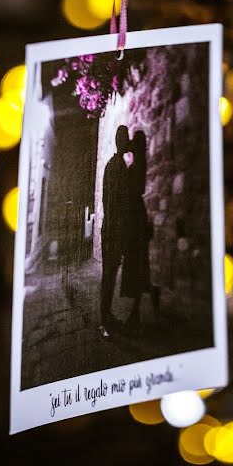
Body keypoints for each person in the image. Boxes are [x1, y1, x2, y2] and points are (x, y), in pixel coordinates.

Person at [100, 125, 130, 338]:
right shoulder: (117, 165)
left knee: (109, 275)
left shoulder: (114, 164)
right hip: (113, 229)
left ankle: (106, 317)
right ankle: (105, 320)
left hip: (112, 228)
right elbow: (113, 202)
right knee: (109, 276)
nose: (125, 142)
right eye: (124, 139)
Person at [121, 129, 151, 332]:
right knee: (138, 261)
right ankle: (135, 311)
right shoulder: (139, 163)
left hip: (135, 215)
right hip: (136, 213)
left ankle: (135, 313)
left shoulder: (138, 165)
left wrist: (127, 144)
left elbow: (127, 147)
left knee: (137, 262)